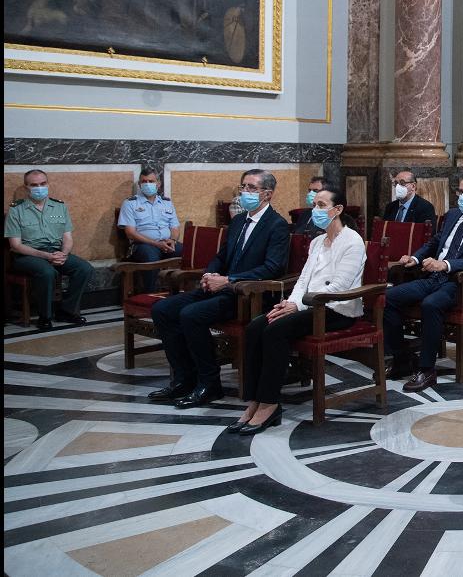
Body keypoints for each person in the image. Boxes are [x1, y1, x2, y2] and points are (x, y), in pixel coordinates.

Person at [149, 169, 290, 408]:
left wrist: (229, 280)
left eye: (252, 188)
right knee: (163, 309)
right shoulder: (237, 222)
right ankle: (184, 378)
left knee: (191, 315)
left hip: (248, 295)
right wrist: (210, 273)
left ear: (267, 194)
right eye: (243, 187)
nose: (245, 192)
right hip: (221, 288)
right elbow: (221, 256)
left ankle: (209, 383)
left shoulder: (277, 225)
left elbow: (272, 268)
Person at [232, 185, 365, 436]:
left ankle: (270, 404)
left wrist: (297, 305)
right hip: (307, 305)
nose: (315, 210)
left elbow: (338, 287)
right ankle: (254, 401)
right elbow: (303, 280)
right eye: (314, 205)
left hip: (336, 309)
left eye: (322, 205)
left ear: (338, 210)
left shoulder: (352, 241)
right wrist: (290, 303)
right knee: (255, 327)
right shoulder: (316, 242)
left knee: (275, 331)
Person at [383, 175, 463, 391]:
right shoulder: (452, 215)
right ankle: (401, 357)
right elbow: (435, 242)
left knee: (431, 304)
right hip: (434, 277)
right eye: (460, 192)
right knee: (389, 298)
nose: (462, 197)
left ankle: (426, 370)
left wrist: (446, 264)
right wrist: (415, 258)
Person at [5, 169, 95, 330]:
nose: (39, 188)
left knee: (84, 268)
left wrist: (64, 254)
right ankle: (44, 316)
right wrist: (46, 256)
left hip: (55, 252)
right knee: (47, 272)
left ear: (48, 184)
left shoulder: (59, 206)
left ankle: (66, 310)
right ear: (26, 187)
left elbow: (67, 237)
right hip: (28, 255)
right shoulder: (16, 210)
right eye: (34, 185)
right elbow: (15, 245)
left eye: (43, 183)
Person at [118, 167, 183, 293]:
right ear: (139, 184)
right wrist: (156, 244)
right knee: (151, 255)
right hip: (142, 245)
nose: (147, 184)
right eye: (144, 181)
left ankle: (182, 293)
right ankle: (150, 294)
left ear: (158, 184)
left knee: (188, 252)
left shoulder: (166, 202)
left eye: (151, 181)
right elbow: (130, 233)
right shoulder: (130, 203)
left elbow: (175, 226)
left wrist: (173, 240)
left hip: (167, 242)